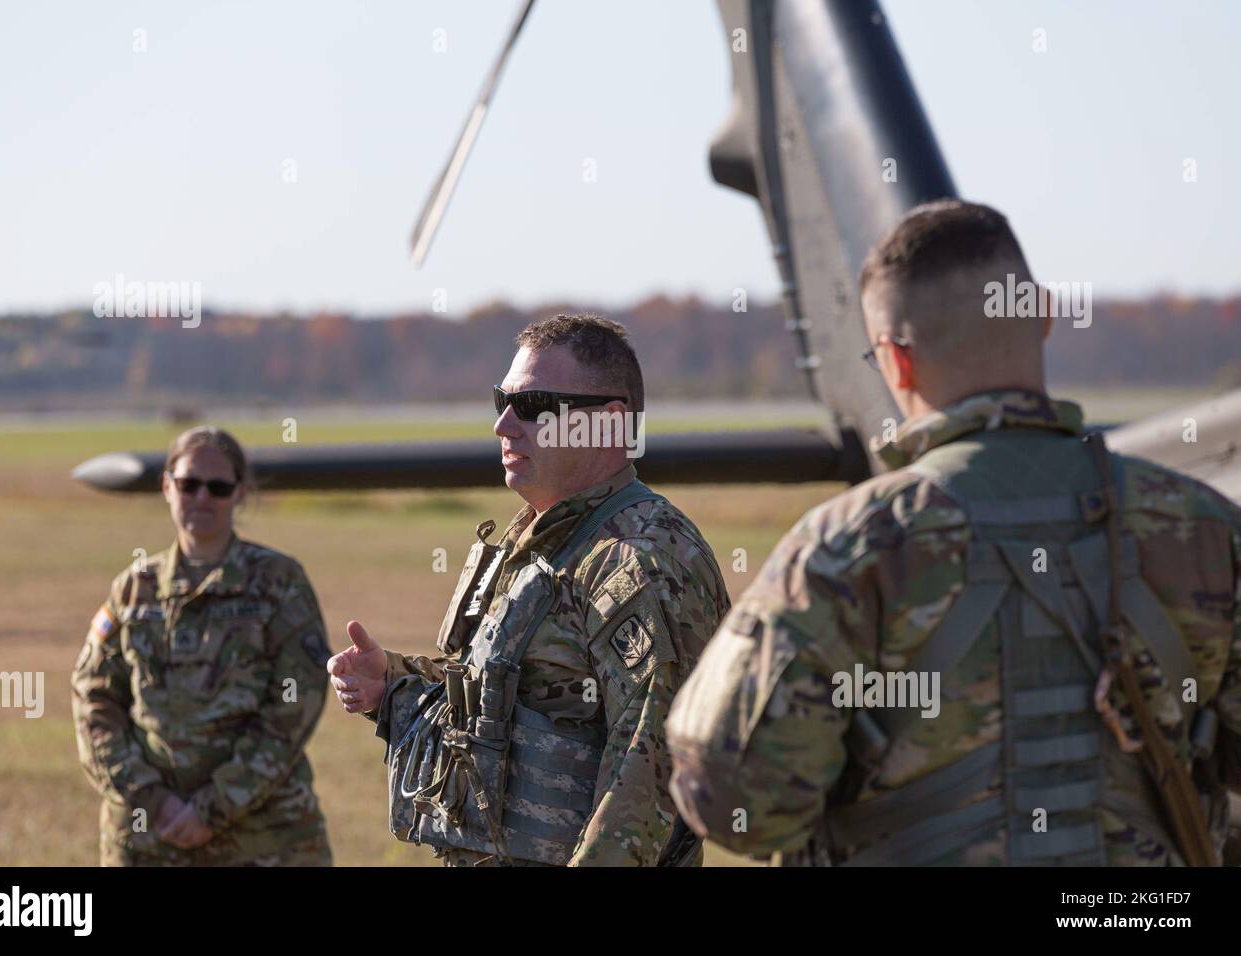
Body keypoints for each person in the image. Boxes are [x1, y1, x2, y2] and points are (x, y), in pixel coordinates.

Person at [666, 200, 1241, 866]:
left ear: (894, 362)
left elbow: (735, 804)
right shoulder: (1204, 525)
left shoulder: (845, 547)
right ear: (1046, 317)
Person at [328, 313, 730, 866]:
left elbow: (653, 766)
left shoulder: (642, 559)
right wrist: (392, 683)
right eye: (502, 401)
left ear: (608, 424)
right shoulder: (546, 537)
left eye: (537, 406)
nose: (505, 425)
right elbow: (506, 700)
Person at [72, 426, 334, 866]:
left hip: (263, 839)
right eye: (189, 484)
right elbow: (93, 699)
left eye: (218, 487)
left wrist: (214, 806)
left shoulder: (278, 583)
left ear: (240, 492)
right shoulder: (134, 590)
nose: (201, 498)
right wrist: (154, 801)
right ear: (167, 486)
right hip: (150, 839)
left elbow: (296, 702)